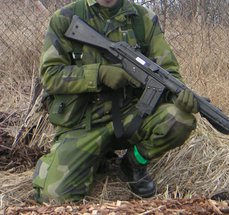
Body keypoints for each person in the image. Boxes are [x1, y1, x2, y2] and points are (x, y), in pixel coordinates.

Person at [32, 0, 197, 203]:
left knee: (180, 119)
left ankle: (134, 162)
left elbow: (167, 71)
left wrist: (179, 95)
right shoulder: (65, 19)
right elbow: (50, 75)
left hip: (132, 115)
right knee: (55, 198)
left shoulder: (143, 19)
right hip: (82, 124)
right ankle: (93, 159)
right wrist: (98, 74)